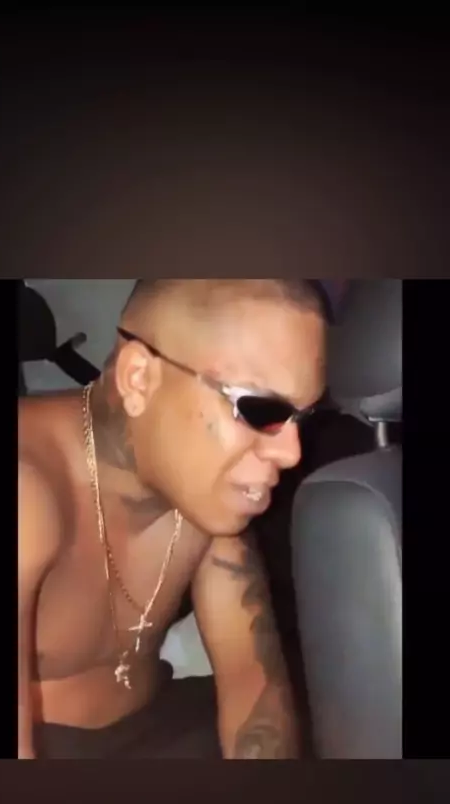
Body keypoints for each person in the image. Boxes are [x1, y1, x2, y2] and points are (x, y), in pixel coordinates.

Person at [18, 279, 327, 759]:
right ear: (139, 378)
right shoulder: (27, 487)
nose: (291, 453)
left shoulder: (200, 494)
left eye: (303, 418)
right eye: (260, 409)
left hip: (163, 724)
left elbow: (251, 689)